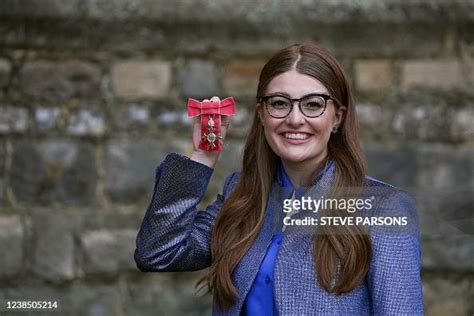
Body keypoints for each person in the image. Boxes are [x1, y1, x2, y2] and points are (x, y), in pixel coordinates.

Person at [134, 43, 424, 315]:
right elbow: (158, 252)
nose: (295, 118)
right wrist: (202, 157)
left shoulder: (383, 208)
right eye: (279, 103)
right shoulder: (242, 195)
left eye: (313, 104)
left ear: (337, 116)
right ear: (261, 113)